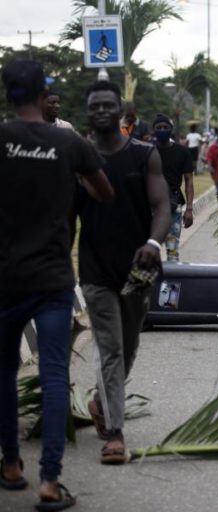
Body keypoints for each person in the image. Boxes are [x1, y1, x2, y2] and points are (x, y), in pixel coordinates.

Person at [0, 59, 113, 512]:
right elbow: (104, 193)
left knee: (4, 372)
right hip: (52, 278)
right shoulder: (68, 141)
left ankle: (10, 464)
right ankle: (49, 481)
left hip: (5, 277)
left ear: (9, 94)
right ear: (43, 92)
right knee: (52, 375)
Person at [74, 80, 171, 466]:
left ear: (121, 111)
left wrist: (154, 243)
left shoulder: (145, 155)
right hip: (95, 270)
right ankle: (115, 433)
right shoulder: (78, 158)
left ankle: (101, 400)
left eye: (107, 105)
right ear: (88, 112)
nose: (100, 111)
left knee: (128, 348)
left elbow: (162, 205)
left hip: (138, 271)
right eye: (94, 105)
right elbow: (66, 214)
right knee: (111, 350)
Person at [153, 114, 194, 262]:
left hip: (174, 206)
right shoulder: (147, 151)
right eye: (159, 128)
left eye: (166, 128)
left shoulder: (182, 152)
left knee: (172, 251)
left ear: (172, 130)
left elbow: (189, 180)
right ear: (153, 130)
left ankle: (170, 286)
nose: (162, 130)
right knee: (151, 251)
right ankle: (153, 285)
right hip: (150, 207)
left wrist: (189, 209)